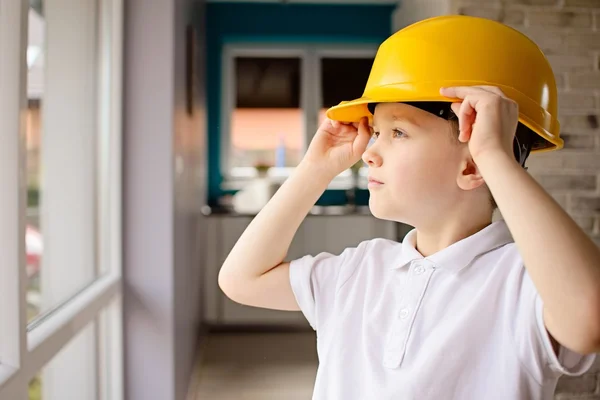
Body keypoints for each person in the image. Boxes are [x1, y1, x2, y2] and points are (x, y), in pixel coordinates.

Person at [218, 15, 600, 399]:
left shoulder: (523, 283)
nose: (369, 153)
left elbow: (588, 316)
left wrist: (494, 155)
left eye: (398, 132)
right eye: (376, 132)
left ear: (472, 165)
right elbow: (240, 280)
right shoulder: (359, 271)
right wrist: (314, 170)